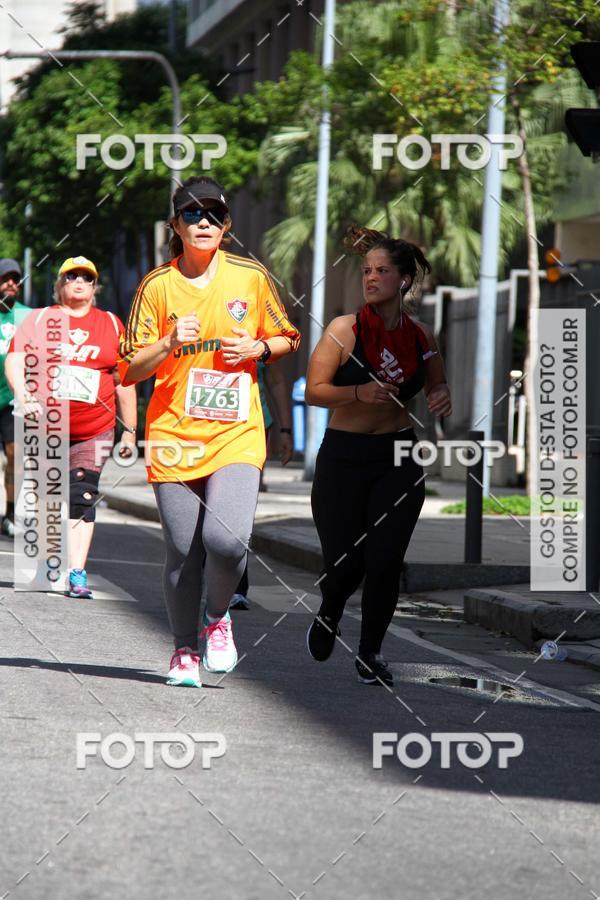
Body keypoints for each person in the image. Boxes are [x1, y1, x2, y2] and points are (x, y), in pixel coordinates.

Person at [118, 175, 300, 688]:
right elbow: (129, 370)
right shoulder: (157, 286)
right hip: (174, 433)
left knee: (226, 541)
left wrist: (259, 350)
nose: (204, 223)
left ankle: (217, 618)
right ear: (175, 225)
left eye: (214, 215)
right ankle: (183, 651)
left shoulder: (249, 276)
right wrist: (170, 341)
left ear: (227, 225)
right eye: (192, 215)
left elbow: (287, 336)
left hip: (236, 431)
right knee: (182, 548)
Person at [305, 226, 452, 687]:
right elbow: (314, 391)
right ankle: (330, 607)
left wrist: (442, 394)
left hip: (398, 457)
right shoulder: (344, 330)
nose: (371, 278)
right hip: (344, 458)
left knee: (386, 560)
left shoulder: (420, 334)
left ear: (404, 280)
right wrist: (358, 392)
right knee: (346, 564)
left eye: (382, 271)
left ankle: (371, 652)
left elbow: (436, 382)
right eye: (367, 270)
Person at [6, 256, 137, 597]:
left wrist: (131, 430)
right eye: (71, 276)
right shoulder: (39, 319)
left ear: (95, 286)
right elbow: (15, 360)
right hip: (46, 427)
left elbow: (124, 380)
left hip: (95, 428)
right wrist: (24, 395)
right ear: (59, 284)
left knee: (82, 497)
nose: (79, 282)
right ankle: (48, 564)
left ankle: (77, 571)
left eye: (86, 278)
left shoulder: (110, 324)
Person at [229, 360, 293, 610]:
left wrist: (285, 429)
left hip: (250, 424)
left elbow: (276, 380)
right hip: (197, 425)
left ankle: (235, 585)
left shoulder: (263, 325)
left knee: (238, 507)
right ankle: (200, 574)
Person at [0, 259, 30, 537]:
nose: (11, 283)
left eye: (15, 279)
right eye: (5, 278)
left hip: (13, 399)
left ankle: (9, 513)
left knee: (15, 456)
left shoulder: (28, 317)